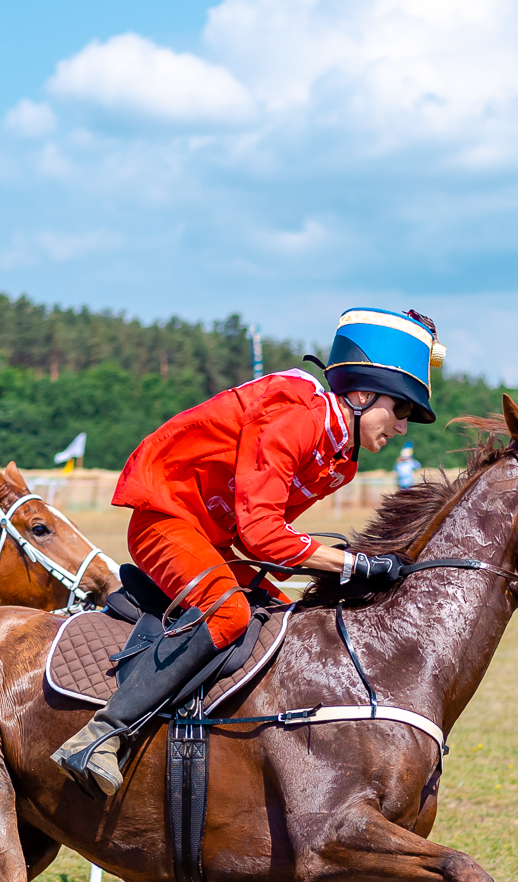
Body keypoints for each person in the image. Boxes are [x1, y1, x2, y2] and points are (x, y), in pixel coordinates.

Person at [53, 307, 441, 797]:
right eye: (401, 410)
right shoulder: (297, 417)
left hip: (214, 539)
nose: (403, 427)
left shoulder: (340, 460)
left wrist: (349, 567)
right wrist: (352, 563)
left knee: (287, 618)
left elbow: (272, 543)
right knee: (229, 615)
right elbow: (262, 535)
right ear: (362, 394)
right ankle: (101, 734)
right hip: (165, 521)